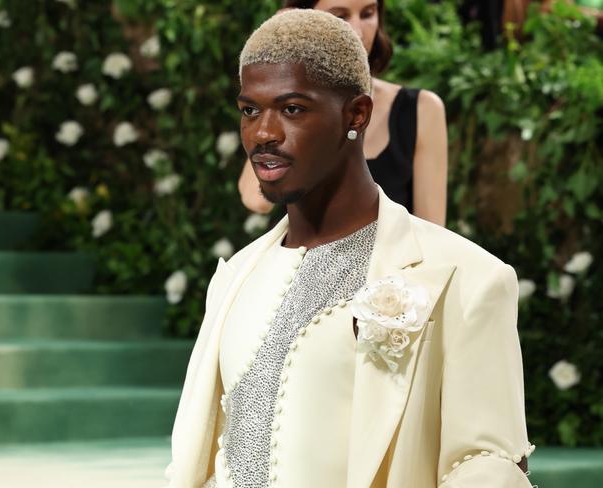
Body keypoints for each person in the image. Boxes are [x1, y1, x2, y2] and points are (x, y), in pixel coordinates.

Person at [166, 9, 533, 488]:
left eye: (292, 109)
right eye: (250, 110)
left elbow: (488, 463)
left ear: (356, 114)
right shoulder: (235, 278)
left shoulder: (465, 279)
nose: (263, 133)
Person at [238, 0, 448, 226]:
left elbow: (433, 233)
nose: (357, 31)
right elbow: (256, 200)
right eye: (340, 16)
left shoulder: (421, 109)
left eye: (368, 13)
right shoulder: (276, 109)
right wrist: (282, 30)